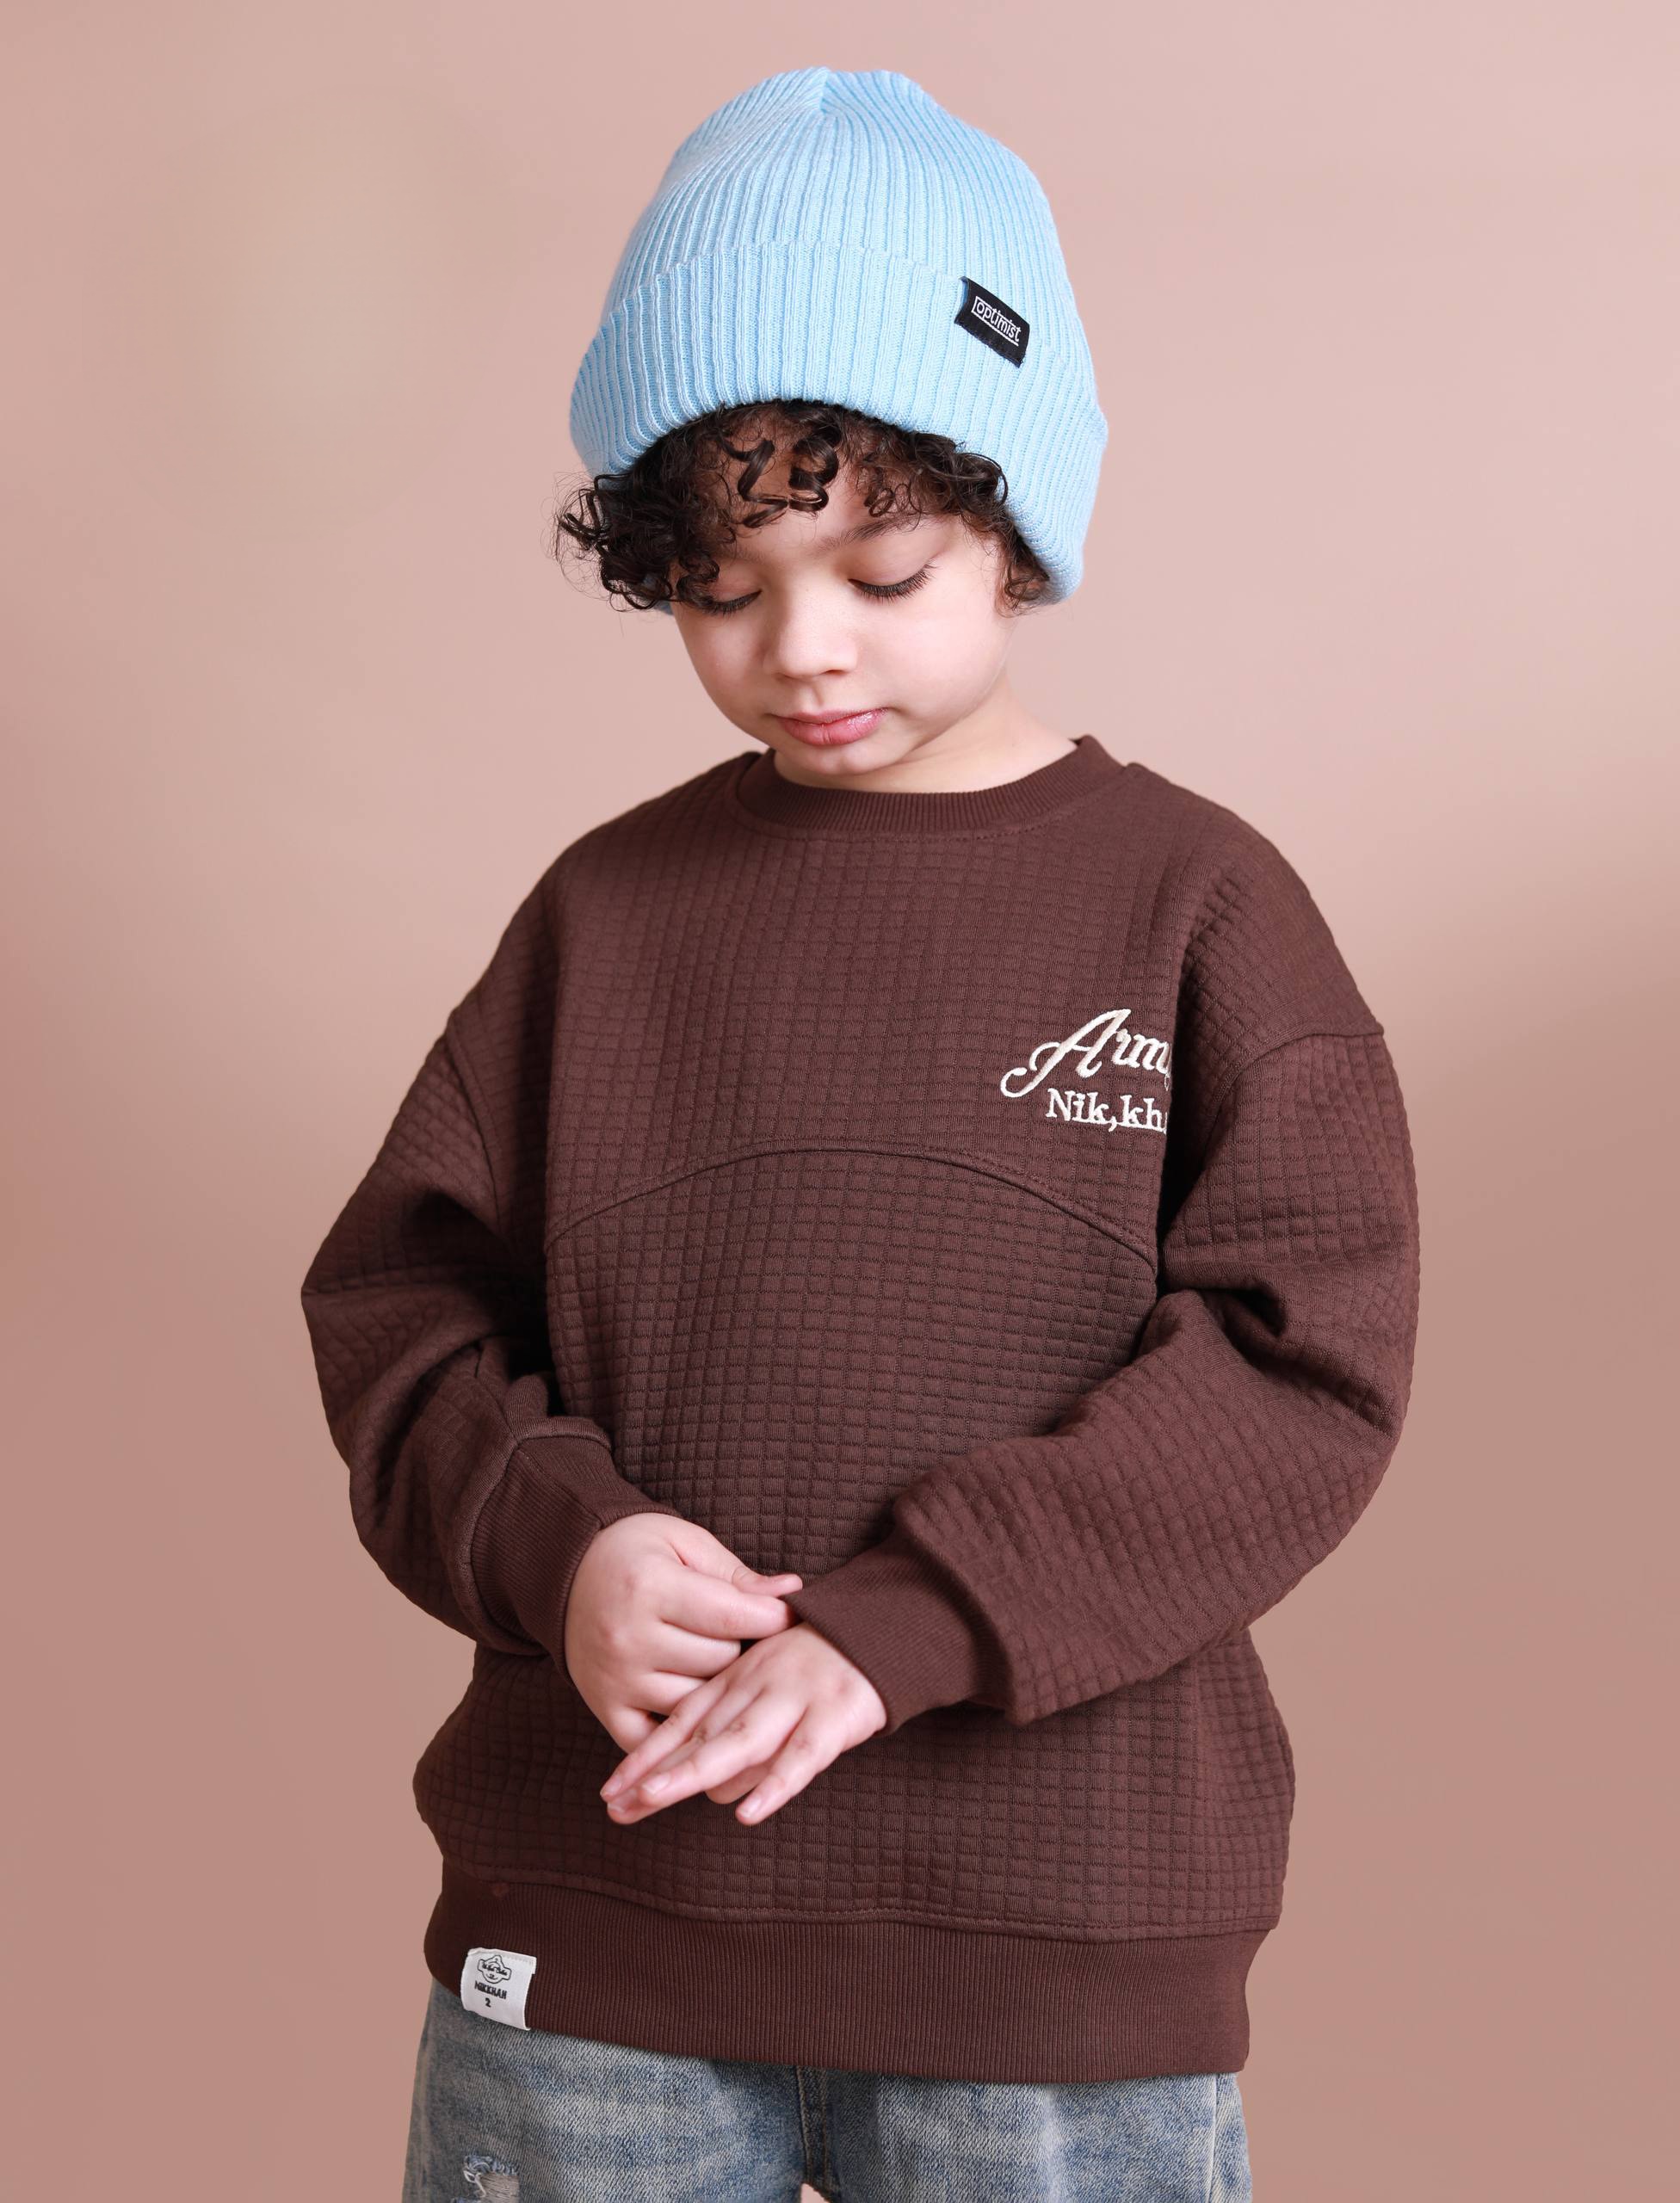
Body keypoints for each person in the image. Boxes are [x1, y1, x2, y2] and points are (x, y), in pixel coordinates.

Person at [300, 65, 1420, 2203]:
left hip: (1049, 1955)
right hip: (602, 1930)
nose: (801, 648)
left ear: (1016, 526)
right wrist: (562, 1541)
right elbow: (399, 1309)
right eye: (722, 588)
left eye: (882, 568)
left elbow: (1306, 1367)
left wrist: (913, 1617)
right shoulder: (603, 916)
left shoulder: (1198, 907)